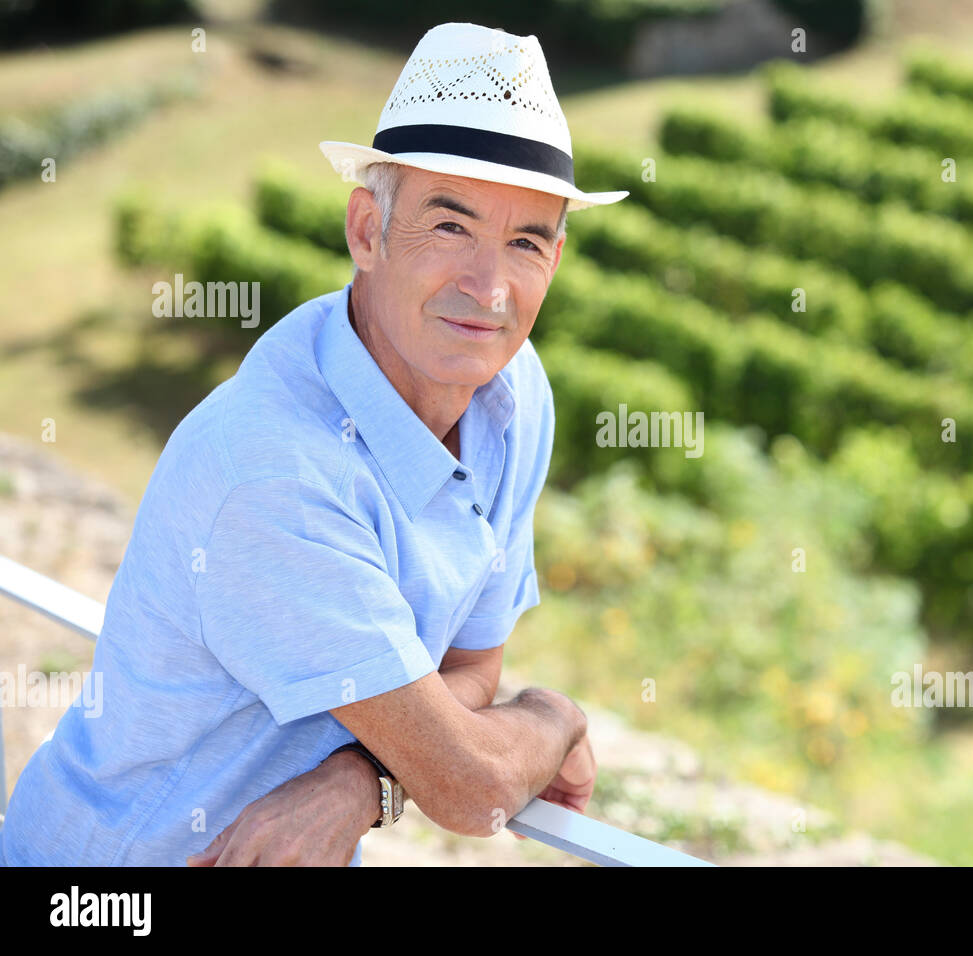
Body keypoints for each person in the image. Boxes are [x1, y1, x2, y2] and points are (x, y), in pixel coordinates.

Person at [0, 21, 629, 866]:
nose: (489, 289)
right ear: (366, 230)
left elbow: (470, 664)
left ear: (555, 258)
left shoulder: (515, 396)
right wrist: (555, 717)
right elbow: (471, 787)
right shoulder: (275, 471)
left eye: (525, 242)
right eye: (450, 225)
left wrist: (357, 783)